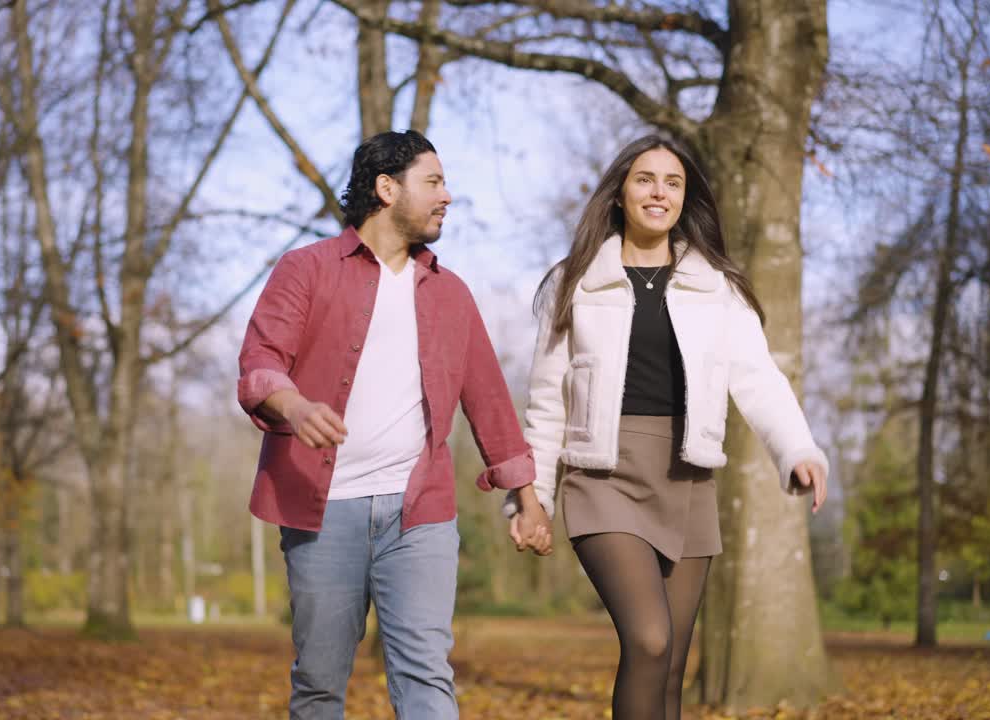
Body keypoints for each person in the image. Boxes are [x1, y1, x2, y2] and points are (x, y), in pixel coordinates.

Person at [506, 134, 829, 720]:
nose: (659, 192)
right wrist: (535, 500)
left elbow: (757, 376)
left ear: (685, 198)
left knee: (672, 664)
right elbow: (548, 400)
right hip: (604, 478)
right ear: (619, 194)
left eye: (673, 182)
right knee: (650, 640)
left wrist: (798, 450)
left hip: (687, 479)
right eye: (645, 179)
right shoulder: (575, 280)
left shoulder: (716, 285)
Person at [236, 129, 551, 720]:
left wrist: (527, 498)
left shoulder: (450, 294)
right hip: (322, 508)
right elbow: (259, 364)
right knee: (320, 683)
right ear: (387, 188)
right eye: (433, 182)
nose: (447, 196)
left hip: (420, 512)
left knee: (426, 672)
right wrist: (296, 407)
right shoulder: (306, 270)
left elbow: (489, 400)